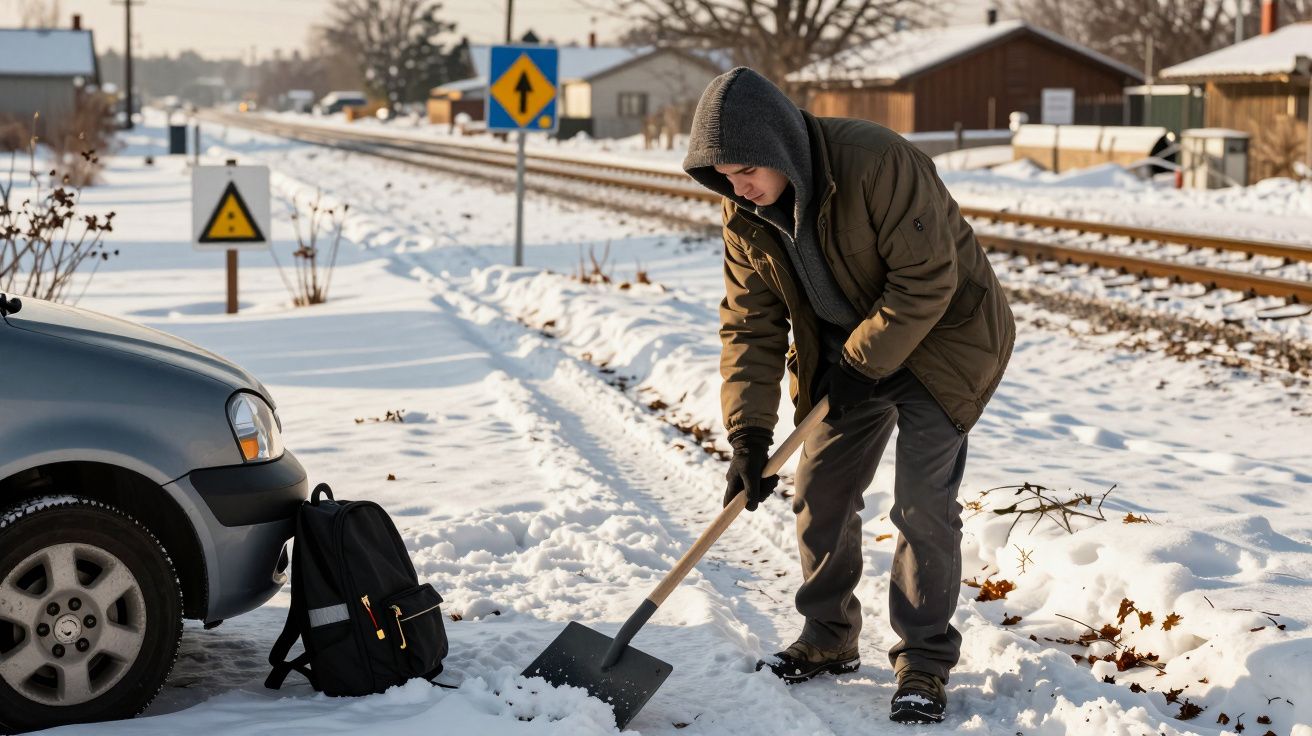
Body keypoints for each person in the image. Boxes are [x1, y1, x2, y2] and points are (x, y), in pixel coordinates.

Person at [682, 67, 1015, 724]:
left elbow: (927, 280)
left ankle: (923, 658)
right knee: (821, 491)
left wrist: (861, 363)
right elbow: (750, 322)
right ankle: (829, 637)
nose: (737, 184)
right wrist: (748, 434)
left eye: (746, 167)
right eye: (723, 173)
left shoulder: (876, 160)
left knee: (922, 505)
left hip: (945, 340)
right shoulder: (746, 215)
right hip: (849, 356)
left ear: (781, 145)